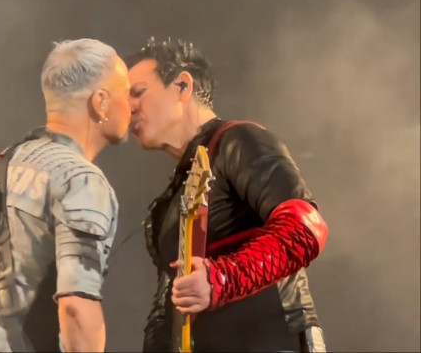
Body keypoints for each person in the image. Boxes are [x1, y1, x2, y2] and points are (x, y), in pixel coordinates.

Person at [126, 37, 329, 352]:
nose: (128, 108)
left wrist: (219, 279)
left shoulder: (239, 140)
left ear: (182, 86)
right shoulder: (169, 200)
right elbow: (168, 303)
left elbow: (305, 229)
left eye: (138, 92)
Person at [0, 38, 132, 352]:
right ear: (100, 102)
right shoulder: (80, 179)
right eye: (127, 93)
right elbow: (76, 308)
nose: (132, 105)